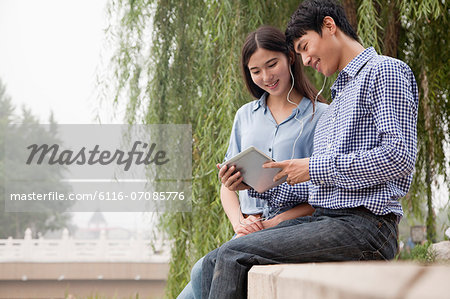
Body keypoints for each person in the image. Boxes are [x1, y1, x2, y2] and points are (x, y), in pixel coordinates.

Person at [201, 1, 419, 298]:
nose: (303, 60)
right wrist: (255, 184)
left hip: (367, 225)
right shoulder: (339, 97)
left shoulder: (384, 71)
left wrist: (312, 167)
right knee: (216, 257)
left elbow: (398, 156)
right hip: (328, 219)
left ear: (329, 26)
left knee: (232, 255)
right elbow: (320, 187)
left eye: (305, 47)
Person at [177, 26, 328, 299]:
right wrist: (239, 223)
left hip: (291, 227)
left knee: (201, 271)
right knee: (200, 273)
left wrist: (275, 222)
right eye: (255, 71)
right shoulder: (245, 116)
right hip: (249, 229)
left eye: (272, 65)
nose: (266, 77)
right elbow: (227, 186)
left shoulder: (321, 116)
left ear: (290, 58)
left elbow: (324, 192)